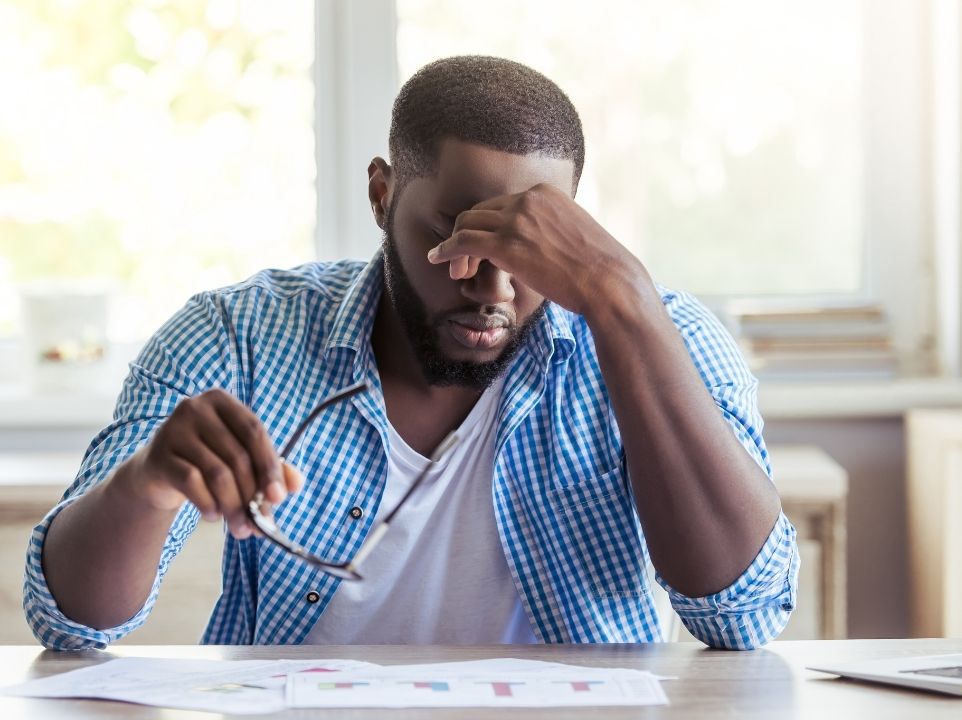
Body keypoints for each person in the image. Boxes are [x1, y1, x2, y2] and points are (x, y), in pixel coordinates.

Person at [25, 56, 798, 651]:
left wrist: (622, 300)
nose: (489, 284)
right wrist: (145, 486)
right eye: (452, 234)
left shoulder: (662, 337)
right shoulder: (239, 334)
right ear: (381, 195)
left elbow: (744, 616)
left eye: (524, 239)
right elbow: (70, 625)